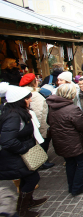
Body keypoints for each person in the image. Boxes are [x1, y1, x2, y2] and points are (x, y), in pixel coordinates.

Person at [0, 85, 48, 217]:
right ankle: (22, 210)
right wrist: (24, 148)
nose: (30, 101)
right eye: (28, 99)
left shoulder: (15, 113)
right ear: (20, 100)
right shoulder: (13, 117)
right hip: (15, 157)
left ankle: (28, 202)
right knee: (33, 178)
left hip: (18, 156)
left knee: (27, 178)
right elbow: (7, 140)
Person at [46, 84, 83, 196]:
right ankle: (77, 187)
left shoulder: (52, 107)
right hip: (74, 142)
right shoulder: (72, 109)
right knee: (81, 163)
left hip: (60, 141)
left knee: (70, 163)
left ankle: (72, 186)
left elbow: (48, 121)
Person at [19, 73, 54, 169]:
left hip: (34, 124)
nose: (38, 81)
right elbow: (38, 112)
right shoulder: (34, 95)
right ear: (33, 83)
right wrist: (36, 127)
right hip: (40, 124)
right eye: (36, 80)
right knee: (42, 141)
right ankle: (42, 162)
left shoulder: (22, 93)